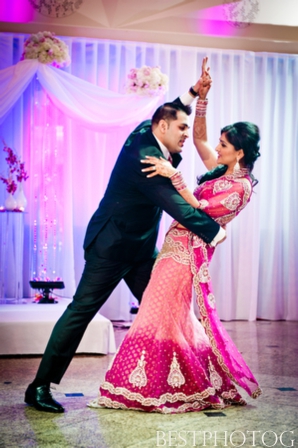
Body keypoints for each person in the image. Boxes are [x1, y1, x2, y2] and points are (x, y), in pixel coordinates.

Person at [25, 69, 226, 413]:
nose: (185, 135)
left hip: (141, 250)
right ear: (163, 128)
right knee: (80, 312)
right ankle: (38, 387)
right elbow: (178, 208)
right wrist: (217, 232)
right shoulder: (146, 159)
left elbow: (172, 108)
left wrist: (193, 91)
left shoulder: (146, 129)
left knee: (169, 308)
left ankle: (191, 379)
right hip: (111, 248)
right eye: (181, 129)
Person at [88, 58, 262, 413]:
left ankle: (156, 385)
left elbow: (197, 209)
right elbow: (198, 137)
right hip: (173, 246)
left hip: (190, 253)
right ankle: (177, 380)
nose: (217, 147)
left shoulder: (239, 189)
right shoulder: (221, 169)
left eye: (224, 145)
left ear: (239, 152)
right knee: (168, 315)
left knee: (157, 313)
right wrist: (203, 99)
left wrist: (172, 174)